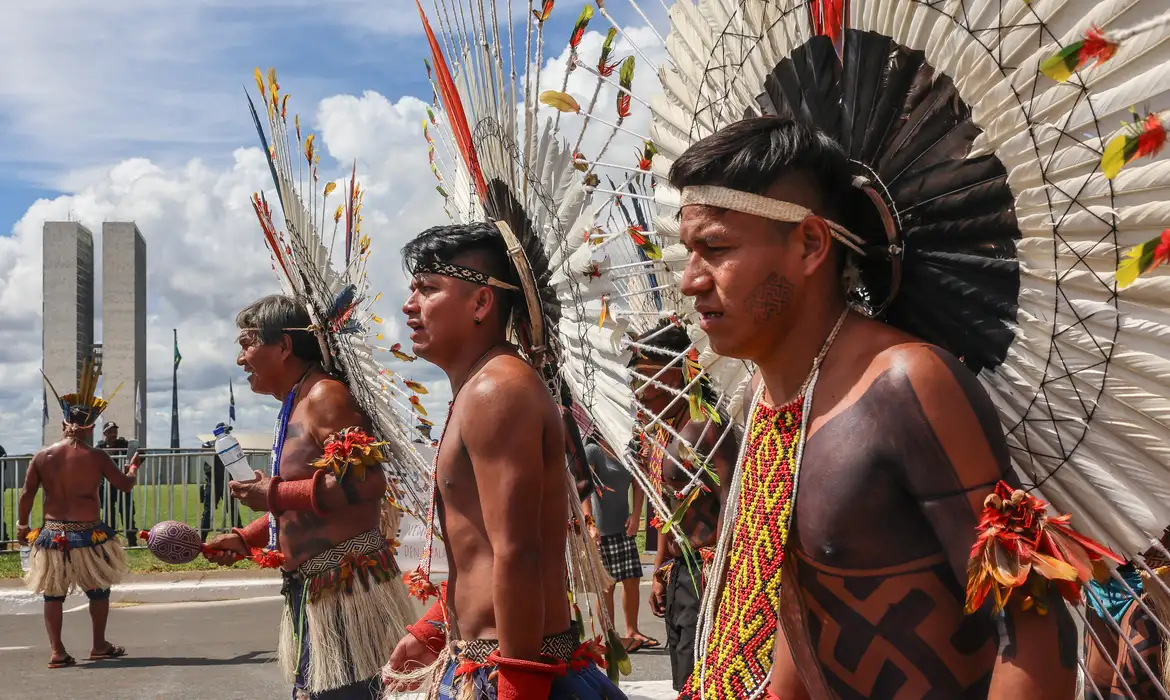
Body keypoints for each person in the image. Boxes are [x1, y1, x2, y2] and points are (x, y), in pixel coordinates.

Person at [672, 117, 1084, 699]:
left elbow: (1035, 625)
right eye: (690, 251)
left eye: (716, 249)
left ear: (811, 244)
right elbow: (796, 620)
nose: (691, 281)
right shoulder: (768, 402)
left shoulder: (908, 384)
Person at [384, 222, 624, 699]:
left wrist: (518, 687)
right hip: (486, 663)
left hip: (514, 672)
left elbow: (519, 551)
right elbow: (486, 550)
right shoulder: (480, 386)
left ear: (480, 303)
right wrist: (433, 630)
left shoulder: (498, 389)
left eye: (428, 289)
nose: (409, 306)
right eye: (412, 289)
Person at [203, 294, 411, 700]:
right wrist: (248, 537)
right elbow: (301, 504)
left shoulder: (325, 398)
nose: (241, 359)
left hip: (346, 592)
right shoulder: (295, 404)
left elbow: (366, 483)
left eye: (247, 343)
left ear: (282, 346)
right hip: (314, 591)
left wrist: (275, 492)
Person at [626, 322, 735, 691]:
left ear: (677, 373)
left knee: (702, 678)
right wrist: (659, 571)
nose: (637, 392)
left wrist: (725, 578)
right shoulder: (663, 431)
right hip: (679, 573)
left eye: (644, 378)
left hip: (710, 575)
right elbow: (664, 509)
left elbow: (735, 502)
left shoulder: (707, 426)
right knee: (684, 677)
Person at [18, 371, 139, 668]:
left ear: (63, 424)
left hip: (52, 534)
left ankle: (57, 650)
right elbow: (124, 485)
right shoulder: (97, 457)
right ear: (91, 427)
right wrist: (133, 469)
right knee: (98, 590)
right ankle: (98, 645)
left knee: (53, 594)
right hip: (89, 535)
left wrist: (22, 526)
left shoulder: (42, 456)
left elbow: (27, 493)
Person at [581, 436, 654, 654]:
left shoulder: (629, 447)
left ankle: (632, 632)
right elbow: (585, 487)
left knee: (632, 579)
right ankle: (609, 639)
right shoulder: (593, 450)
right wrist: (589, 523)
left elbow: (638, 482)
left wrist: (636, 513)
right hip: (601, 533)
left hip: (624, 528)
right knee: (607, 586)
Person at [96, 421, 136, 545]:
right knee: (108, 514)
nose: (113, 434)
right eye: (110, 431)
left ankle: (132, 540)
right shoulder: (100, 447)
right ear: (105, 433)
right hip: (107, 486)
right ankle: (110, 541)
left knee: (127, 511)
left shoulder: (123, 444)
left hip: (122, 484)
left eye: (115, 431)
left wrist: (130, 467)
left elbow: (139, 454)